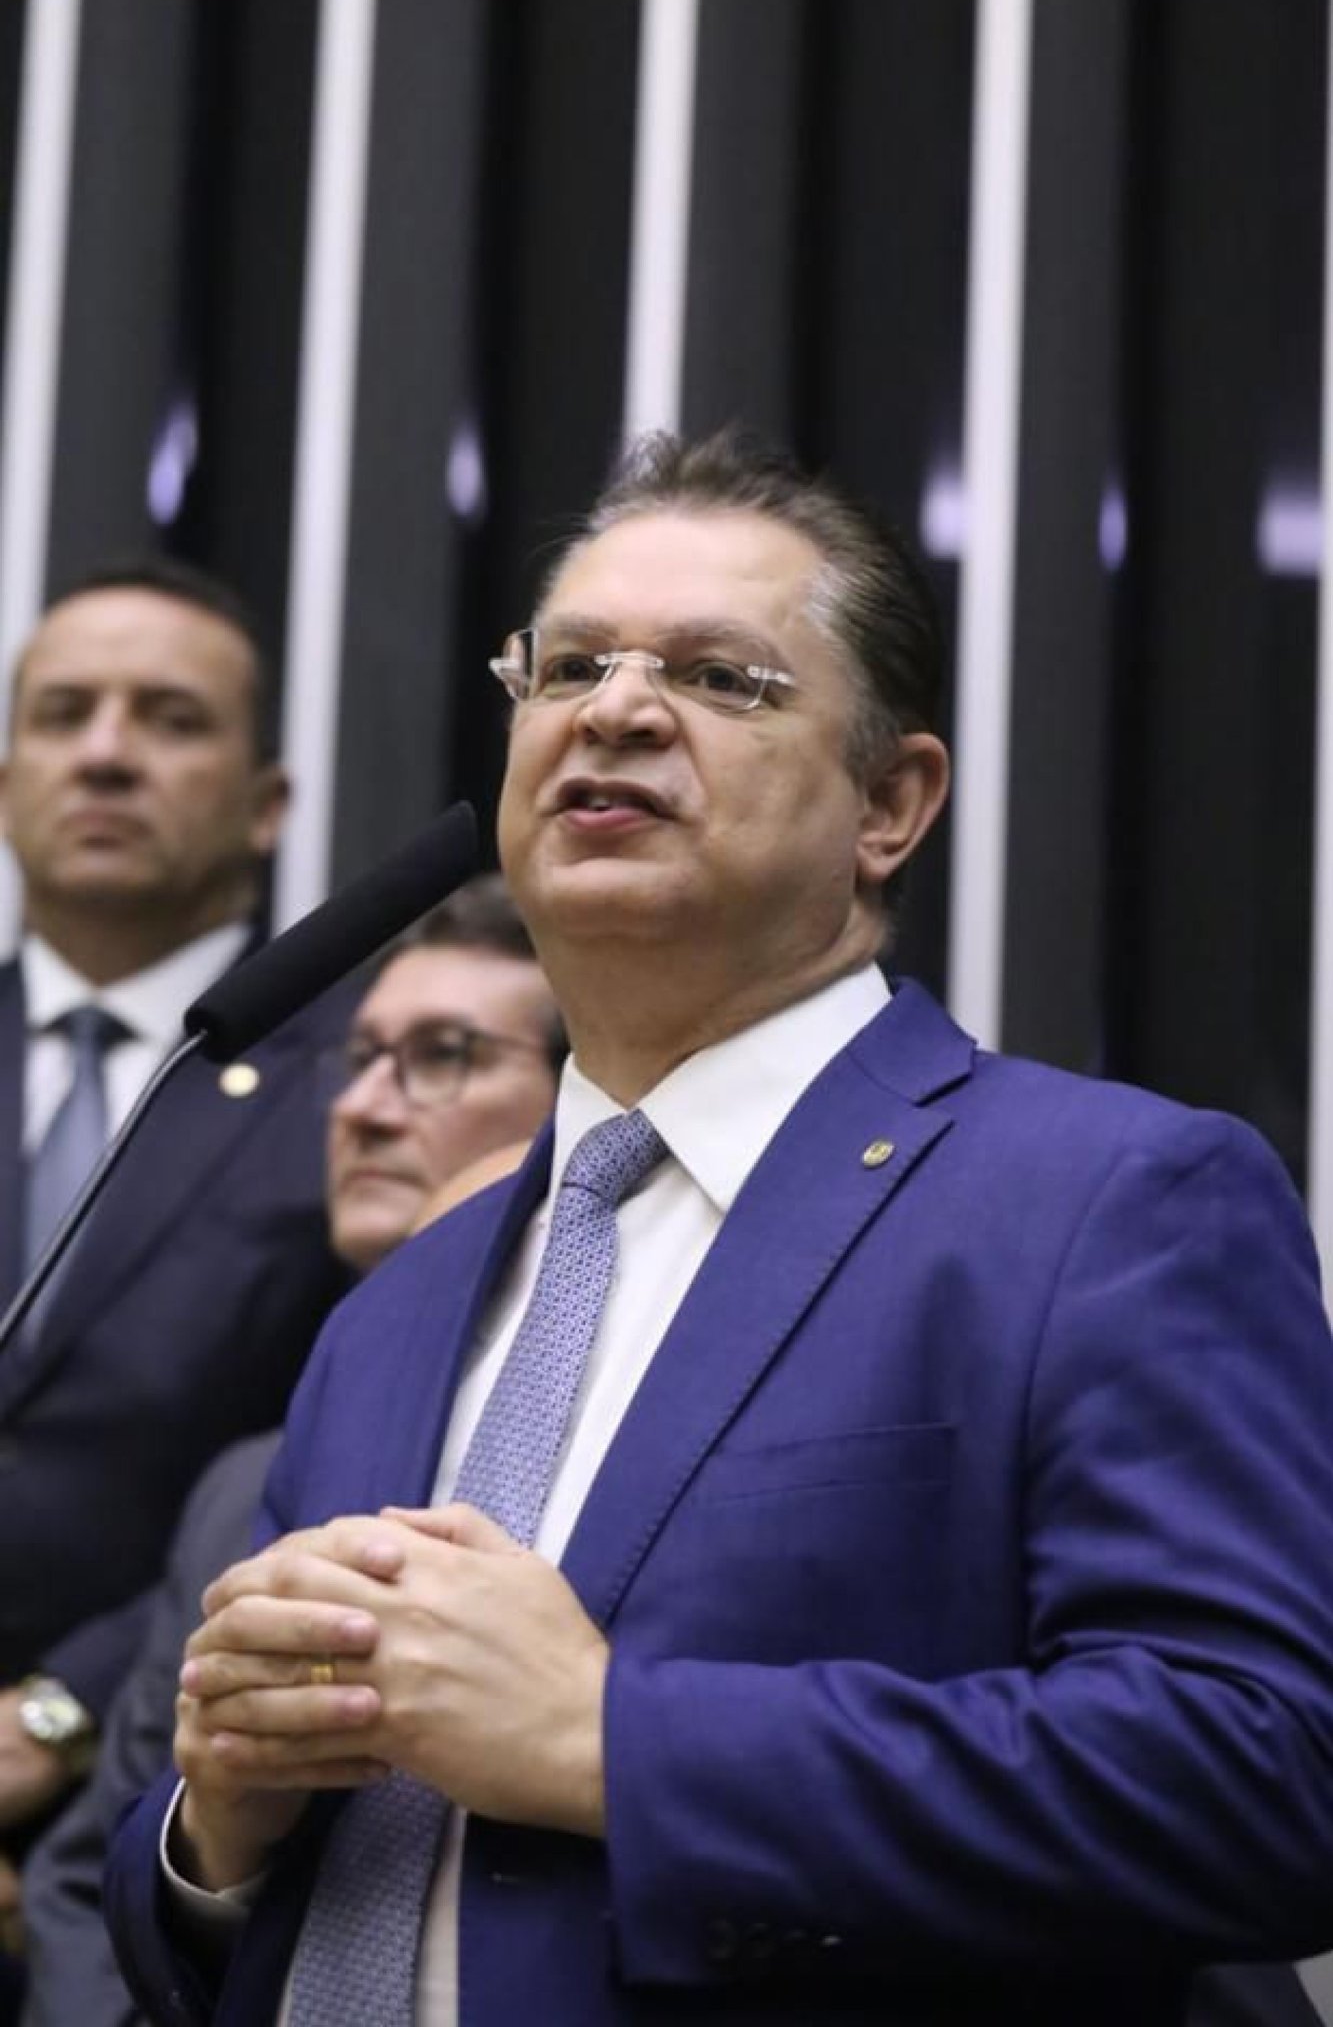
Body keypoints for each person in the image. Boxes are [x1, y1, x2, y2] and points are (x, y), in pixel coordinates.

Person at [107, 432, 1333, 2026]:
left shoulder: (1107, 1202)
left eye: (718, 678)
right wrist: (218, 1831)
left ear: (888, 803)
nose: (613, 709)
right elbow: (212, 1932)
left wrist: (612, 1741)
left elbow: (1261, 1776)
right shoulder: (391, 1310)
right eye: (568, 668)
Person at [17, 877, 562, 2027]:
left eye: (444, 1056)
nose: (362, 1107)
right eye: (358, 1059)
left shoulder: (600, 1447)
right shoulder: (242, 1483)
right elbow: (93, 1878)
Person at [0, 558, 350, 1877]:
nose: (106, 754)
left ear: (266, 807)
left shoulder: (362, 1082)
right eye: (64, 714)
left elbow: (333, 1464)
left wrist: (60, 1713)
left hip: (169, 1803)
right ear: (7, 783)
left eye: (171, 719)